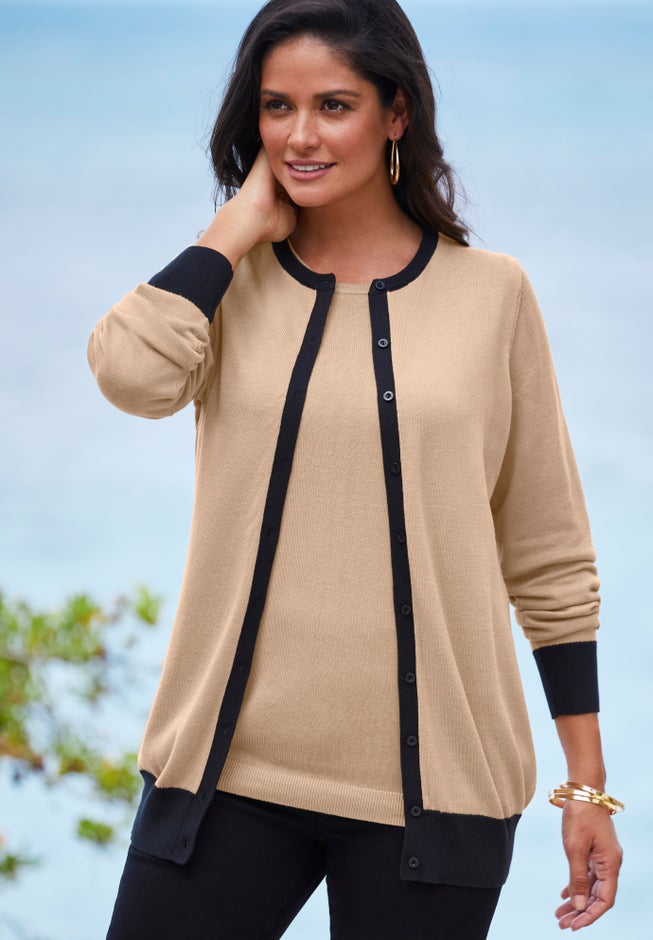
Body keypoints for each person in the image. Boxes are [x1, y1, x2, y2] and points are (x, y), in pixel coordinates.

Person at [87, 1, 623, 937]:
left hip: (439, 794)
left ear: (396, 113)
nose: (300, 135)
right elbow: (131, 377)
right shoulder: (227, 283)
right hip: (222, 779)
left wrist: (586, 788)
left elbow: (547, 554)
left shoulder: (492, 294)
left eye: (333, 105)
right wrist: (234, 229)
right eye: (276, 106)